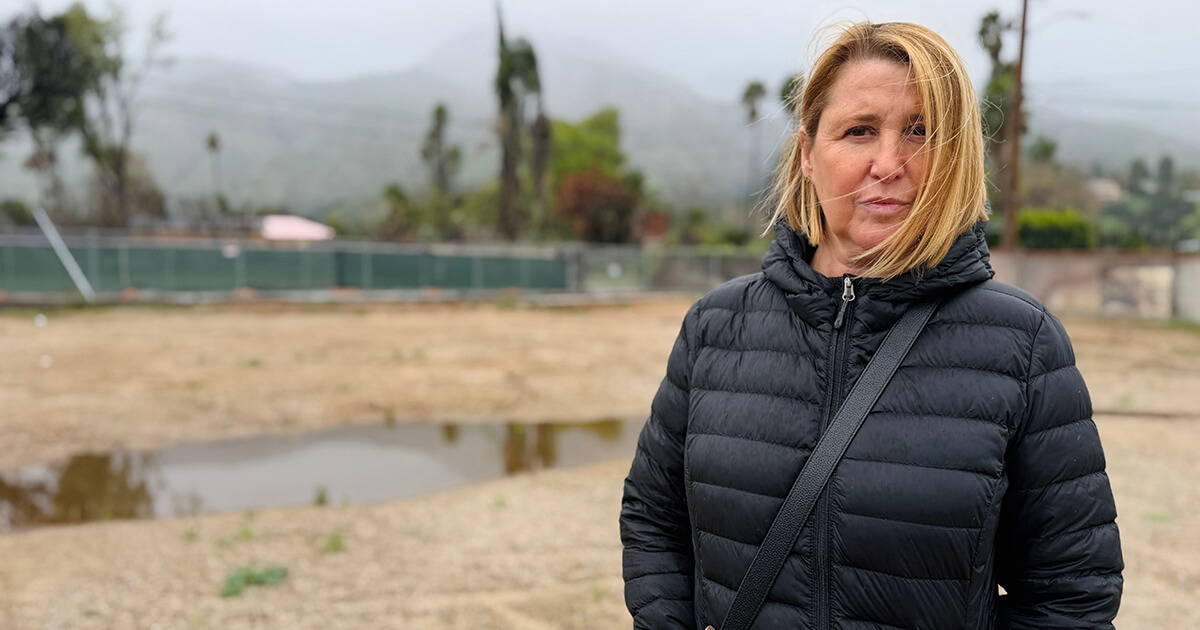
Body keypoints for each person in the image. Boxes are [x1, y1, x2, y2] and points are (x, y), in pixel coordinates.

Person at [620, 21, 1122, 630]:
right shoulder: (715, 327)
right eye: (859, 131)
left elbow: (1072, 591)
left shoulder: (1023, 343)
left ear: (956, 157)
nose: (889, 163)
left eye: (921, 131)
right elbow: (653, 517)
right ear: (807, 154)